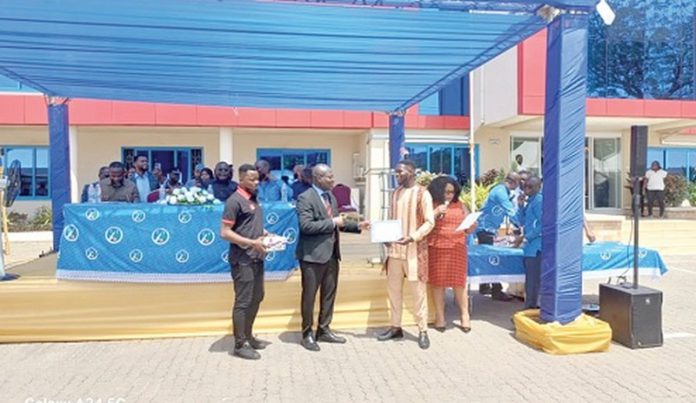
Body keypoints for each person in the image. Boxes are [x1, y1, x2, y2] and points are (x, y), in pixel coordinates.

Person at [295, 164, 368, 352]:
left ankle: (324, 329)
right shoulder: (305, 198)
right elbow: (306, 226)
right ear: (318, 178)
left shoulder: (331, 197)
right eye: (329, 177)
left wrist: (359, 225)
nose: (333, 180)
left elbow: (339, 222)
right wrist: (332, 222)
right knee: (309, 296)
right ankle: (307, 333)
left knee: (329, 294)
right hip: (312, 256)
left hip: (332, 255)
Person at [377, 160, 435, 350]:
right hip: (395, 252)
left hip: (413, 251)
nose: (397, 175)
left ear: (411, 172)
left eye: (400, 172)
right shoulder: (396, 193)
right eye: (396, 173)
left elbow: (429, 222)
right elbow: (393, 221)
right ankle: (395, 327)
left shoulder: (422, 193)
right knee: (394, 291)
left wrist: (412, 237)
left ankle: (423, 330)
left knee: (418, 293)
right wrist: (386, 236)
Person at [220, 164, 270, 360]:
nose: (256, 182)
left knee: (257, 297)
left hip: (257, 257)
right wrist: (251, 243)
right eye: (252, 179)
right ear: (241, 179)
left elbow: (250, 226)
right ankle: (240, 344)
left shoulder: (253, 199)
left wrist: (266, 235)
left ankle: (248, 336)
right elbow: (225, 232)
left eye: (258, 179)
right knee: (243, 301)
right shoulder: (234, 201)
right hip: (242, 259)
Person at [426, 176, 476, 333]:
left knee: (459, 283)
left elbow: (469, 227)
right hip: (436, 247)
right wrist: (434, 213)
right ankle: (440, 317)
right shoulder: (431, 204)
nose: (449, 195)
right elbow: (422, 223)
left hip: (457, 247)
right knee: (438, 283)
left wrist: (472, 225)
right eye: (446, 192)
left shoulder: (460, 205)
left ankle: (465, 315)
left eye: (452, 192)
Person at [475, 172, 521, 301]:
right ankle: (497, 290)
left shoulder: (503, 191)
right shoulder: (500, 192)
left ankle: (484, 286)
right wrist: (522, 225)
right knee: (492, 258)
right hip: (485, 228)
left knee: (486, 256)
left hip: (488, 228)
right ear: (514, 182)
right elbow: (510, 211)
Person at [514, 176, 542, 310]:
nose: (526, 189)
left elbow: (543, 224)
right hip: (529, 248)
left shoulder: (539, 201)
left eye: (530, 187)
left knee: (533, 282)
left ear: (538, 187)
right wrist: (520, 206)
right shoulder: (530, 202)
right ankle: (530, 307)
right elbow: (521, 221)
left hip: (536, 248)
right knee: (530, 281)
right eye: (525, 186)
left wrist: (526, 237)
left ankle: (530, 309)